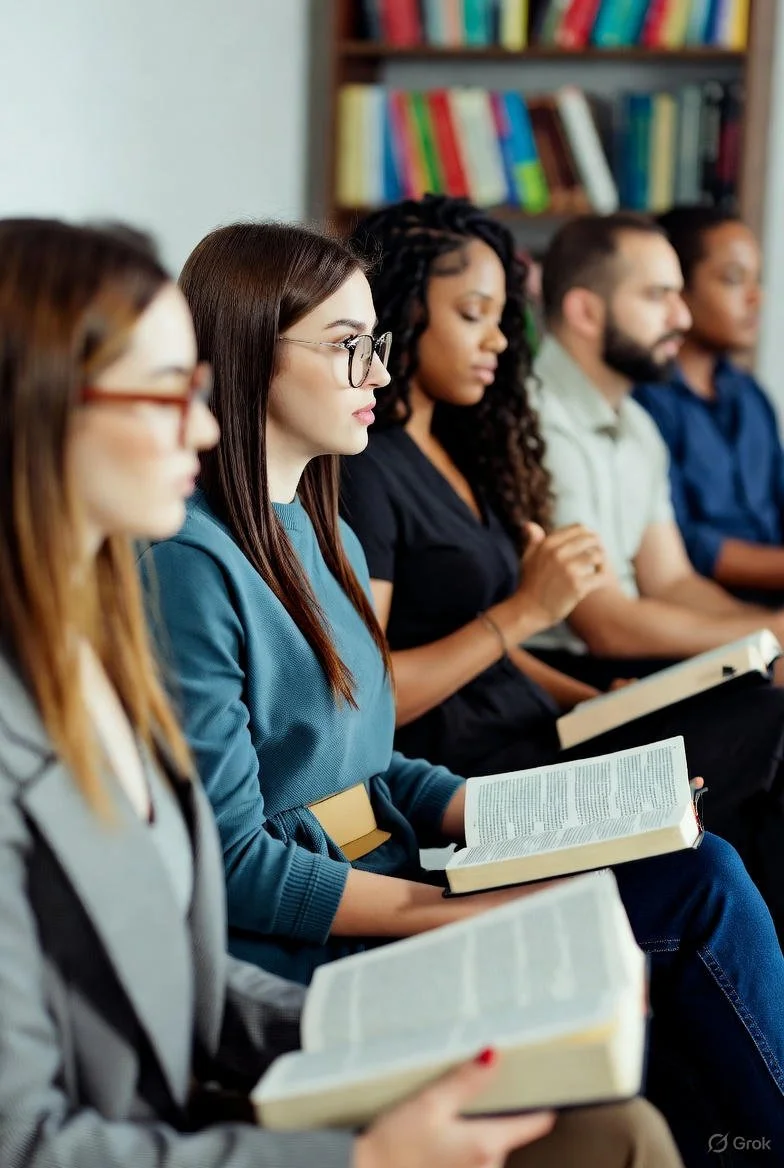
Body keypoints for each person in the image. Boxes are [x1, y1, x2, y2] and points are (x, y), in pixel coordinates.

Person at [0, 215, 677, 1168]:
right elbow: (34, 1138)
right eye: (166, 391)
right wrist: (365, 1154)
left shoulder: (113, 642)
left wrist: (404, 1015)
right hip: (201, 1095)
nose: (200, 423)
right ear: (40, 408)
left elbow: (196, 973)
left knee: (622, 1099)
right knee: (621, 1121)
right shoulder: (177, 580)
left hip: (272, 1018)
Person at [146, 217, 784, 1162]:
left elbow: (378, 766)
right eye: (346, 347)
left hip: (402, 880)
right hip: (325, 946)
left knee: (699, 865)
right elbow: (235, 862)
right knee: (700, 892)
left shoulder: (328, 538)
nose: (375, 373)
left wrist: (561, 814)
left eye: (378, 345)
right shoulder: (191, 566)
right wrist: (458, 913)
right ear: (248, 352)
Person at [340, 195, 784, 944]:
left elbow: (497, 645)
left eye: (501, 319)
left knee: (753, 726)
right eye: (474, 315)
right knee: (765, 728)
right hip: (473, 762)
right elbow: (371, 692)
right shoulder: (369, 469)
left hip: (537, 720)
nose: (501, 343)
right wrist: (526, 611)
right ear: (408, 311)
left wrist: (599, 702)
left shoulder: (458, 453)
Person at [527, 211, 784, 687]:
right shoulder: (537, 421)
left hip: (626, 661)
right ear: (587, 312)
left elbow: (672, 582)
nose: (681, 317)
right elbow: (605, 624)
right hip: (567, 678)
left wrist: (764, 636)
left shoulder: (639, 426)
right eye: (657, 296)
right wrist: (761, 632)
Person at [633, 205, 784, 606]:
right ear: (676, 288)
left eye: (758, 280)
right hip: (705, 613)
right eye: (733, 279)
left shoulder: (750, 396)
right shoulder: (642, 402)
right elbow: (685, 545)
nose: (756, 297)